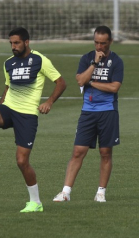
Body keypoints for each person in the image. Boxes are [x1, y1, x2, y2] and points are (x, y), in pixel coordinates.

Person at [0, 27, 67, 212]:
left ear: (26, 42)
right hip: (9, 108)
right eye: (11, 43)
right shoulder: (8, 63)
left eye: (16, 43)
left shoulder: (39, 60)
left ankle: (35, 202)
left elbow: (61, 82)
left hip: (28, 115)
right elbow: (8, 88)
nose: (13, 47)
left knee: (22, 161)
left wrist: (49, 102)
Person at [53, 26, 124, 203]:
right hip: (88, 112)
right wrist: (93, 64)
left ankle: (101, 193)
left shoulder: (116, 61)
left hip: (108, 112)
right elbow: (79, 80)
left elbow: (114, 87)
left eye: (103, 43)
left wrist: (92, 82)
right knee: (78, 151)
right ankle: (65, 192)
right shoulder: (86, 59)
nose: (99, 46)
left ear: (110, 42)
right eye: (96, 42)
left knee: (105, 152)